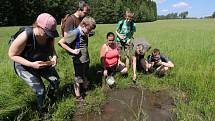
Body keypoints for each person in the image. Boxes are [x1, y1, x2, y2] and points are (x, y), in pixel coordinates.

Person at [8, 13, 60, 113]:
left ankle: (51, 97)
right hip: (24, 66)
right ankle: (42, 111)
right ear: (38, 26)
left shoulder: (50, 35)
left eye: (51, 33)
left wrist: (54, 56)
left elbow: (52, 49)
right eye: (47, 33)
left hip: (42, 62)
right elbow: (12, 55)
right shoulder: (26, 36)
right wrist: (31, 64)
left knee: (56, 81)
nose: (48, 36)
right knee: (40, 91)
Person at [58, 16, 96, 101]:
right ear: (83, 25)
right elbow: (61, 42)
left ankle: (85, 89)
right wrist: (72, 51)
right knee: (78, 78)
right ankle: (78, 96)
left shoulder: (84, 32)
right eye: (88, 30)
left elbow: (88, 33)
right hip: (78, 61)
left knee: (84, 74)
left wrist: (89, 33)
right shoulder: (75, 32)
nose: (89, 32)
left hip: (85, 59)